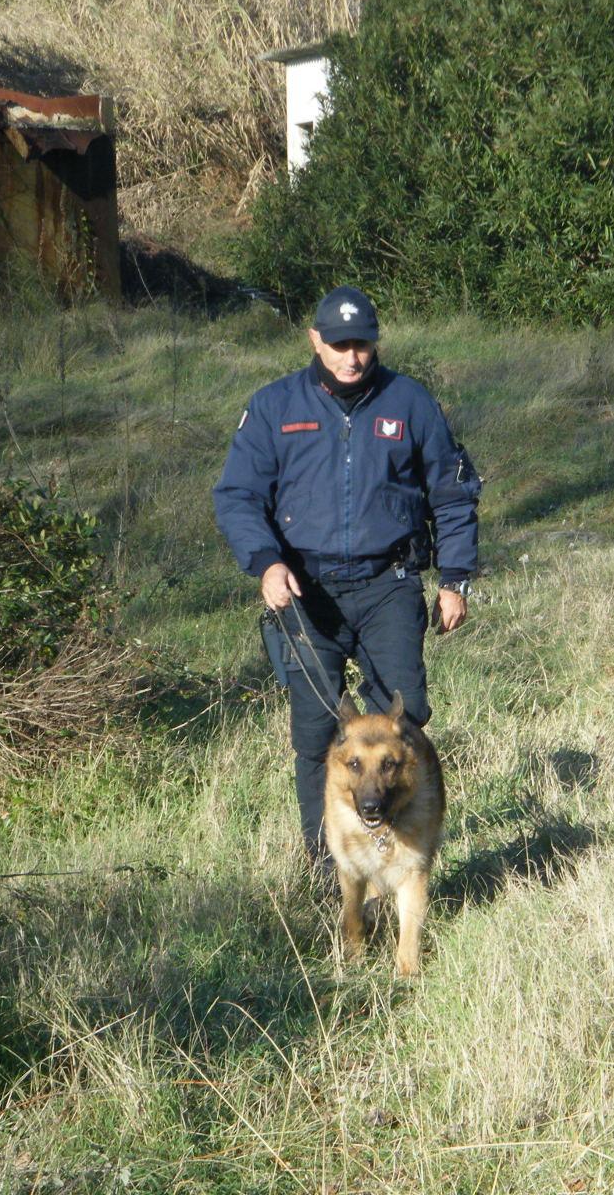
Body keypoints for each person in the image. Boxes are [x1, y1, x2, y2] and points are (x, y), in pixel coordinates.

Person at [214, 285, 481, 872]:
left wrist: (455, 576)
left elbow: (452, 493)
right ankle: (326, 863)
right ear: (315, 340)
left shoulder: (410, 402)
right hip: (304, 591)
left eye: (361, 344)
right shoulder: (273, 406)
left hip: (388, 583)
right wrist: (266, 562)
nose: (351, 357)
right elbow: (237, 495)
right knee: (316, 735)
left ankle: (399, 855)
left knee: (399, 727)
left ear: (375, 342)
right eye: (338, 345)